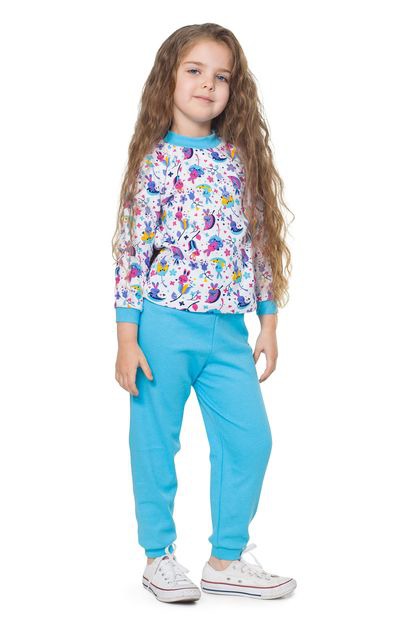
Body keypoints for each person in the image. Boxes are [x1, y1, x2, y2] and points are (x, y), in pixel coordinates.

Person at [112, 22, 296, 603]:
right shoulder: (154, 163)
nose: (208, 84)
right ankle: (158, 557)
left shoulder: (240, 161)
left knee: (250, 441)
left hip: (229, 334)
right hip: (162, 327)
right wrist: (126, 338)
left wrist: (268, 321)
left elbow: (259, 245)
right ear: (168, 78)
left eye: (222, 76)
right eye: (194, 70)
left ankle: (225, 559)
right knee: (154, 443)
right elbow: (132, 253)